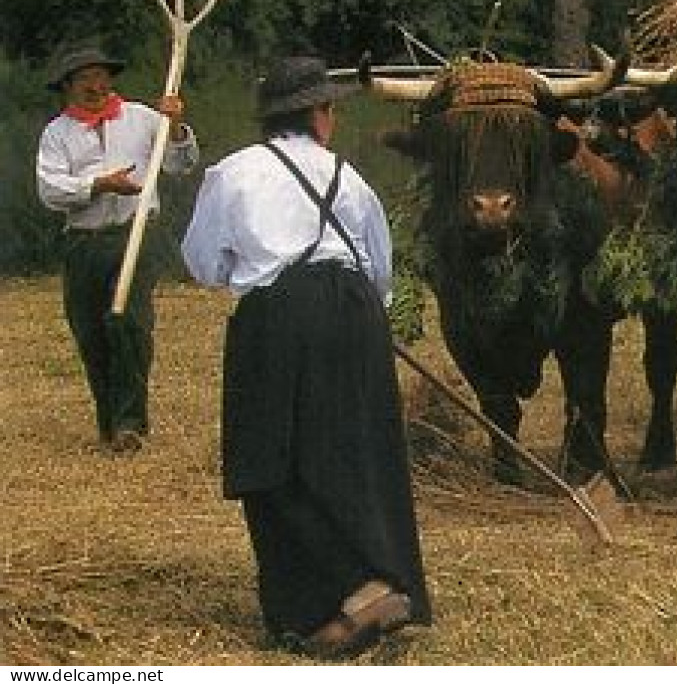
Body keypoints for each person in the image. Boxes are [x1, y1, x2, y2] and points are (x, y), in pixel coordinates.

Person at [181, 55, 431, 658]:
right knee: (361, 452)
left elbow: (203, 262)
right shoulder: (353, 178)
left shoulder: (233, 173)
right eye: (330, 109)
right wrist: (355, 318)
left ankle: (326, 608)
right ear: (318, 115)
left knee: (271, 456)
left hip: (279, 314)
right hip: (357, 317)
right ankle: (381, 579)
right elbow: (380, 274)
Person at [35, 38, 200, 453]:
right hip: (84, 243)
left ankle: (130, 425)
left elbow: (181, 164)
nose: (95, 85)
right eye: (84, 79)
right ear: (68, 87)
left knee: (128, 325)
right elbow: (50, 189)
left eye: (100, 76)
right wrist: (98, 185)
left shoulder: (143, 119)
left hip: (135, 235)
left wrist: (176, 127)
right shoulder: (57, 135)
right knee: (91, 333)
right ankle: (110, 421)